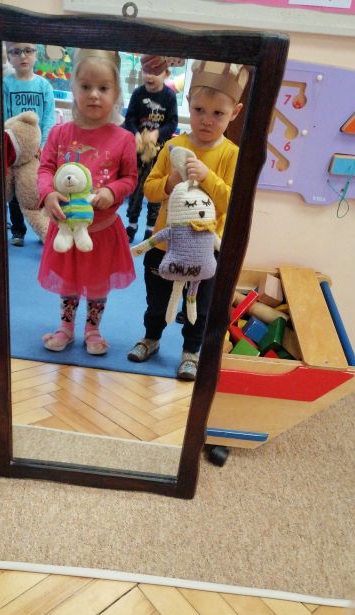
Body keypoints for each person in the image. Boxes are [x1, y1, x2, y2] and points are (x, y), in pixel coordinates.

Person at [127, 60, 249, 381]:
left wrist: (208, 176)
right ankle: (151, 338)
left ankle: (191, 352)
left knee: (199, 306)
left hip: (204, 250)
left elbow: (231, 202)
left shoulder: (231, 154)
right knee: (156, 300)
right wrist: (170, 182)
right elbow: (150, 190)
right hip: (164, 245)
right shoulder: (173, 146)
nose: (206, 120)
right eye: (199, 110)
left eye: (218, 113)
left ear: (234, 113)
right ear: (188, 105)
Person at [37, 49, 137, 355]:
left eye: (103, 88)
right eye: (86, 86)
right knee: (68, 281)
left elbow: (130, 178)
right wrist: (48, 193)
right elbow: (45, 169)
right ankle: (66, 327)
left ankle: (93, 329)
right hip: (66, 227)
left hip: (103, 231)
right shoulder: (59, 133)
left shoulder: (124, 139)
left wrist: (113, 192)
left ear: (116, 93)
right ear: (73, 88)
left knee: (97, 284)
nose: (94, 94)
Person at [3, 42, 56, 246]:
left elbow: (49, 118)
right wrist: (10, 145)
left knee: (38, 189)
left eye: (28, 51)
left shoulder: (44, 86)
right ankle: (18, 230)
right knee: (16, 193)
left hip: (38, 151)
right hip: (15, 151)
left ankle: (45, 227)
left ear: (36, 54)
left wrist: (44, 144)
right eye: (16, 52)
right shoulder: (6, 85)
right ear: (9, 57)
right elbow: (4, 117)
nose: (23, 56)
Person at [123, 62, 178, 242]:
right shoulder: (138, 93)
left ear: (166, 73)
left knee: (155, 188)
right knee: (136, 188)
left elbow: (172, 123)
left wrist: (157, 134)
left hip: (159, 153)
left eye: (155, 72)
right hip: (138, 151)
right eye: (146, 71)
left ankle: (150, 228)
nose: (149, 76)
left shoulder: (169, 97)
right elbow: (130, 118)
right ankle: (132, 224)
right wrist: (135, 134)